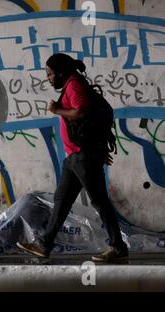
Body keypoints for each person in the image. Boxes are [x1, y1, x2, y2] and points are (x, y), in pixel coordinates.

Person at [16, 53, 129, 262]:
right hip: (74, 158)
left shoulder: (74, 85)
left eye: (49, 74)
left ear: (60, 72)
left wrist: (57, 109)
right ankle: (44, 245)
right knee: (61, 201)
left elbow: (82, 112)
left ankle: (118, 246)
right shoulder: (71, 85)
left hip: (82, 157)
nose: (48, 79)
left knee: (100, 201)